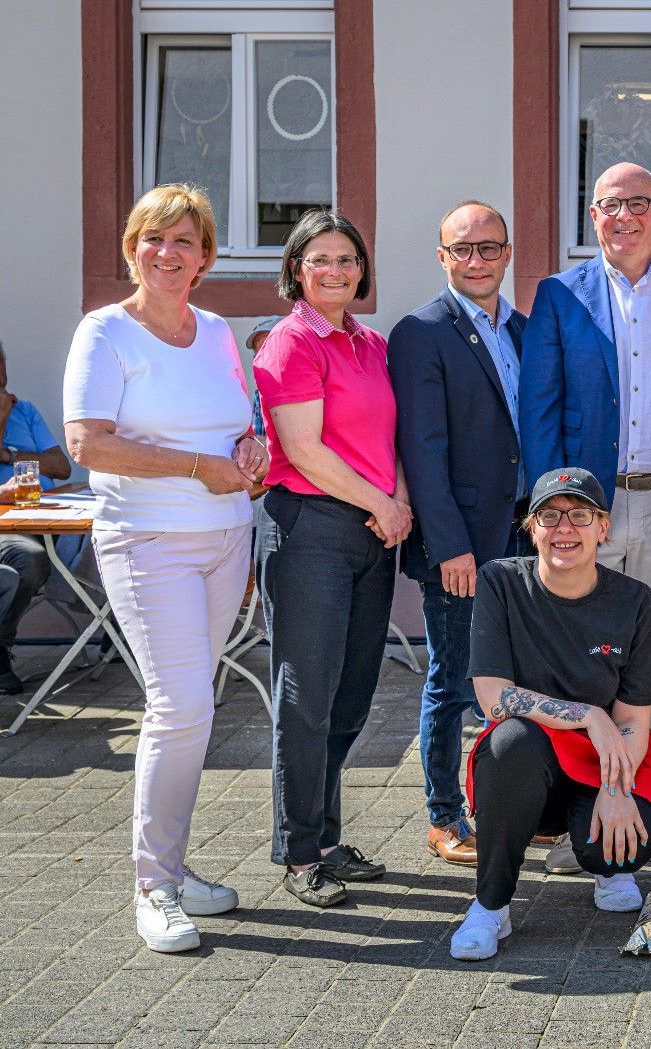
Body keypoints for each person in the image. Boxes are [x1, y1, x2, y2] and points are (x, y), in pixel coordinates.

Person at [62, 183, 265, 952]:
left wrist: (247, 449)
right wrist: (196, 467)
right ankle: (153, 886)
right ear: (132, 248)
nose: (168, 252)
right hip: (149, 542)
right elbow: (88, 443)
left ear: (205, 257)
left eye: (185, 240)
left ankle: (173, 868)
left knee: (195, 710)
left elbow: (237, 425)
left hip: (226, 537)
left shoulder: (215, 331)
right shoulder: (105, 332)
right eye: (155, 237)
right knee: (178, 707)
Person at [521, 163, 651, 871]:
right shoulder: (559, 296)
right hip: (589, 511)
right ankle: (582, 822)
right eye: (611, 204)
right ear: (593, 215)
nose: (625, 216)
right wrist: (556, 512)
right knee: (576, 670)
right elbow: (540, 410)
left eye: (639, 203)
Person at [254, 209, 411, 908]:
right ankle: (298, 853)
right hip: (310, 530)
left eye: (347, 258)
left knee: (350, 694)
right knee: (306, 698)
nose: (336, 270)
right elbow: (304, 450)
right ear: (296, 269)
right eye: (319, 258)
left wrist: (398, 500)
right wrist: (383, 504)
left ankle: (324, 839)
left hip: (371, 530)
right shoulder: (290, 342)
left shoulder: (370, 344)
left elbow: (390, 438)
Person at [450, 468, 651, 961]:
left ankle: (608, 868)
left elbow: (633, 718)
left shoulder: (636, 602)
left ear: (603, 528)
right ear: (532, 529)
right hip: (530, 764)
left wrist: (617, 791)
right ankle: (490, 907)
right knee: (510, 741)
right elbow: (493, 697)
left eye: (580, 515)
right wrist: (588, 714)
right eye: (549, 516)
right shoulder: (501, 582)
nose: (564, 528)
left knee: (623, 847)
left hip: (601, 763)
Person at [391, 201, 528, 868]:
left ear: (507, 253)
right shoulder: (421, 332)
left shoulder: (524, 329)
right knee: (453, 681)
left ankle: (524, 805)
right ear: (442, 256)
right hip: (462, 544)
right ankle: (445, 814)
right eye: (463, 249)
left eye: (489, 248)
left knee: (524, 678)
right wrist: (448, 545)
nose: (477, 261)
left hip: (527, 535)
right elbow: (422, 449)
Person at [0, 340, 73, 694]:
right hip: (8, 530)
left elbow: (60, 466)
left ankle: (117, 632)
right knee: (29, 560)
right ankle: (0, 650)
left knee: (111, 536)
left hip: (44, 518)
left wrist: (8, 454)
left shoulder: (25, 411)